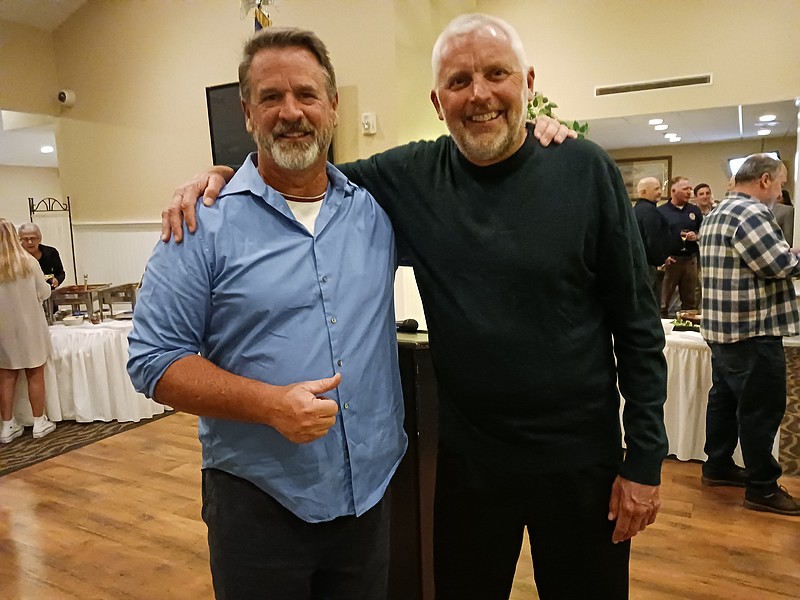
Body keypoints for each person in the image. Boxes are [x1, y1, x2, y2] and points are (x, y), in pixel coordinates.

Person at [163, 14, 667, 599]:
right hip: (470, 464)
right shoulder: (409, 177)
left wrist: (645, 462)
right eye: (459, 81)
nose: (479, 94)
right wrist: (223, 176)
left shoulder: (585, 169)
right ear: (437, 100)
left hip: (585, 463)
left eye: (496, 74)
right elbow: (299, 175)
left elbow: (638, 326)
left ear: (528, 82)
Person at [127, 28, 414, 600]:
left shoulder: (376, 212)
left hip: (370, 493)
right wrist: (269, 405)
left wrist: (541, 133)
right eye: (270, 97)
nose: (291, 112)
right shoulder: (200, 225)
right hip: (259, 501)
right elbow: (153, 361)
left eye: (306, 95)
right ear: (247, 113)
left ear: (333, 106)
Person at [699, 153, 800, 516]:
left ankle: (718, 465)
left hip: (723, 328)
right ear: (764, 180)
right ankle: (762, 488)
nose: (781, 190)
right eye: (782, 182)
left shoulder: (717, 212)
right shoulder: (752, 213)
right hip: (752, 329)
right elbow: (778, 265)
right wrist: (795, 256)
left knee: (724, 401)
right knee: (761, 409)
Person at [0, 219, 56, 443]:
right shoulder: (28, 262)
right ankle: (39, 422)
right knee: (35, 373)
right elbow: (43, 292)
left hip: (3, 328)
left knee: (5, 375)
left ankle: (6, 425)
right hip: (30, 324)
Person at [658, 176, 703, 317]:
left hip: (690, 260)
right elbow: (657, 236)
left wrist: (696, 236)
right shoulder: (661, 211)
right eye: (685, 189)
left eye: (690, 189)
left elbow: (702, 231)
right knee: (663, 301)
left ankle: (688, 330)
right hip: (671, 261)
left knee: (690, 300)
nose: (689, 192)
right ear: (673, 190)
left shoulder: (695, 211)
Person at [633, 176, 670, 299]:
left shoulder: (634, 210)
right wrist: (660, 260)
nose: (659, 192)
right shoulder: (650, 211)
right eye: (656, 189)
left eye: (659, 188)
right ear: (644, 192)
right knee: (651, 300)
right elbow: (652, 238)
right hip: (649, 265)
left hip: (637, 264)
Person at [18, 223, 65, 289]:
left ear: (39, 239)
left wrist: (57, 280)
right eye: (25, 239)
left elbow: (60, 273)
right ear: (20, 240)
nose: (30, 242)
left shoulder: (51, 252)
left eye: (33, 238)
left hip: (48, 291)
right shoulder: (16, 256)